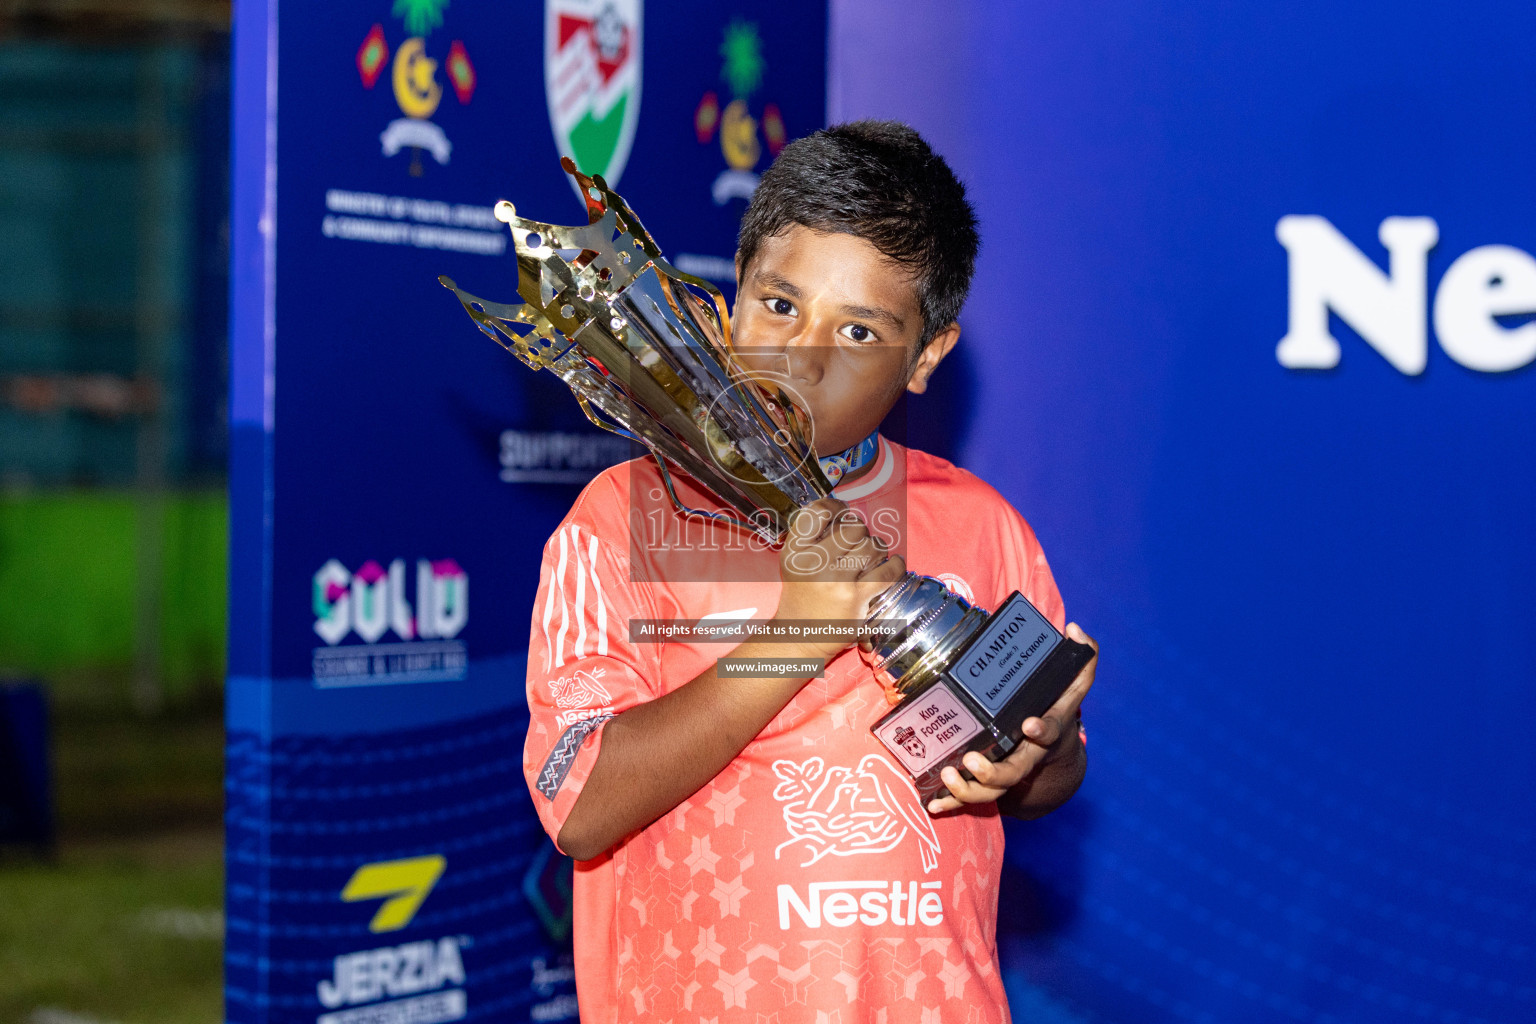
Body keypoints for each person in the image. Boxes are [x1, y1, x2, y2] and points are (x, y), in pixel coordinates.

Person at [522, 120, 1098, 1023]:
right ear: (730, 294)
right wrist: (797, 633)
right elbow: (580, 801)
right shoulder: (621, 516)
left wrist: (1044, 751)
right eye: (780, 305)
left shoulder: (982, 526)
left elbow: (1045, 780)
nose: (803, 357)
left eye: (861, 328)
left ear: (927, 356)